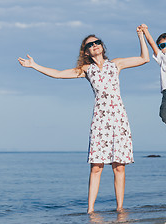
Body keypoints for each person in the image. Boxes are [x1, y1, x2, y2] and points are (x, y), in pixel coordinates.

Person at [18, 26, 150, 213]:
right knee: (96, 166)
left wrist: (140, 36)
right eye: (90, 44)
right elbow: (57, 73)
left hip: (119, 119)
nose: (95, 45)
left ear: (102, 46)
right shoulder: (86, 70)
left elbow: (144, 58)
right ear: (86, 51)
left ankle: (120, 209)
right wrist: (34, 65)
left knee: (119, 166)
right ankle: (90, 211)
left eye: (97, 42)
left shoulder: (116, 64)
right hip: (100, 121)